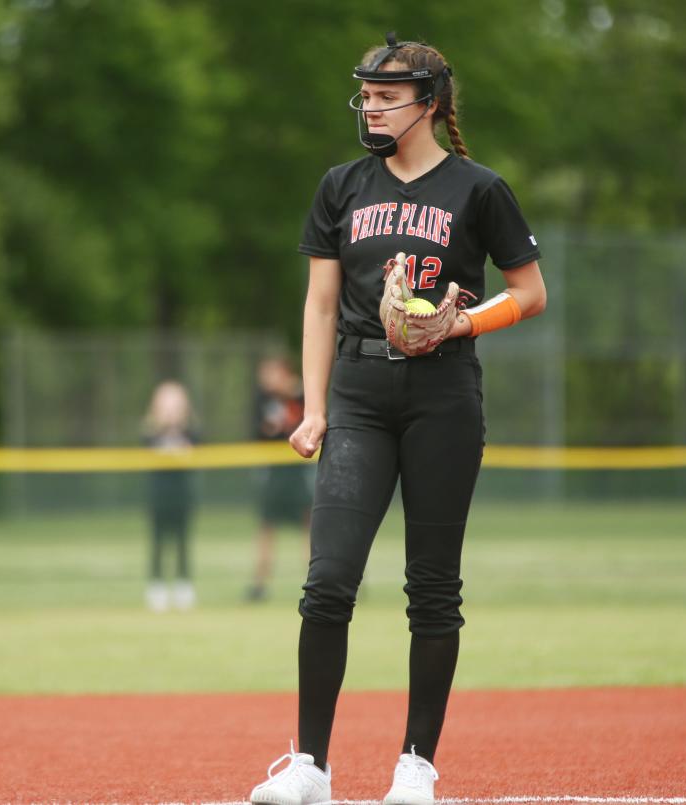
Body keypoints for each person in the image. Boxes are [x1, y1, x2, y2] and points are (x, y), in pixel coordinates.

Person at [248, 34, 547, 805]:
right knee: (328, 579)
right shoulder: (342, 185)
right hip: (356, 392)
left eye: (387, 96)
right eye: (367, 95)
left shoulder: (479, 190)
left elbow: (531, 291)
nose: (371, 107)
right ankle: (310, 764)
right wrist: (313, 409)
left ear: (432, 103)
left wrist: (462, 324)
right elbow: (319, 304)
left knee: (432, 587)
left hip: (444, 392)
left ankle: (416, 764)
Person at [245, 356, 313, 602]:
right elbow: (256, 431)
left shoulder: (300, 395)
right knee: (267, 527)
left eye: (272, 374)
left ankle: (313, 581)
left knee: (309, 525)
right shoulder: (262, 399)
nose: (267, 380)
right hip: (273, 474)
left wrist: (292, 393)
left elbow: (309, 418)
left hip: (296, 471)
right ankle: (259, 585)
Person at [143, 380, 198, 612]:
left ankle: (183, 585)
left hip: (182, 496)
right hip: (157, 496)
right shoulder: (149, 434)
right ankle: (156, 586)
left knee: (183, 541)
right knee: (157, 542)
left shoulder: (191, 432)